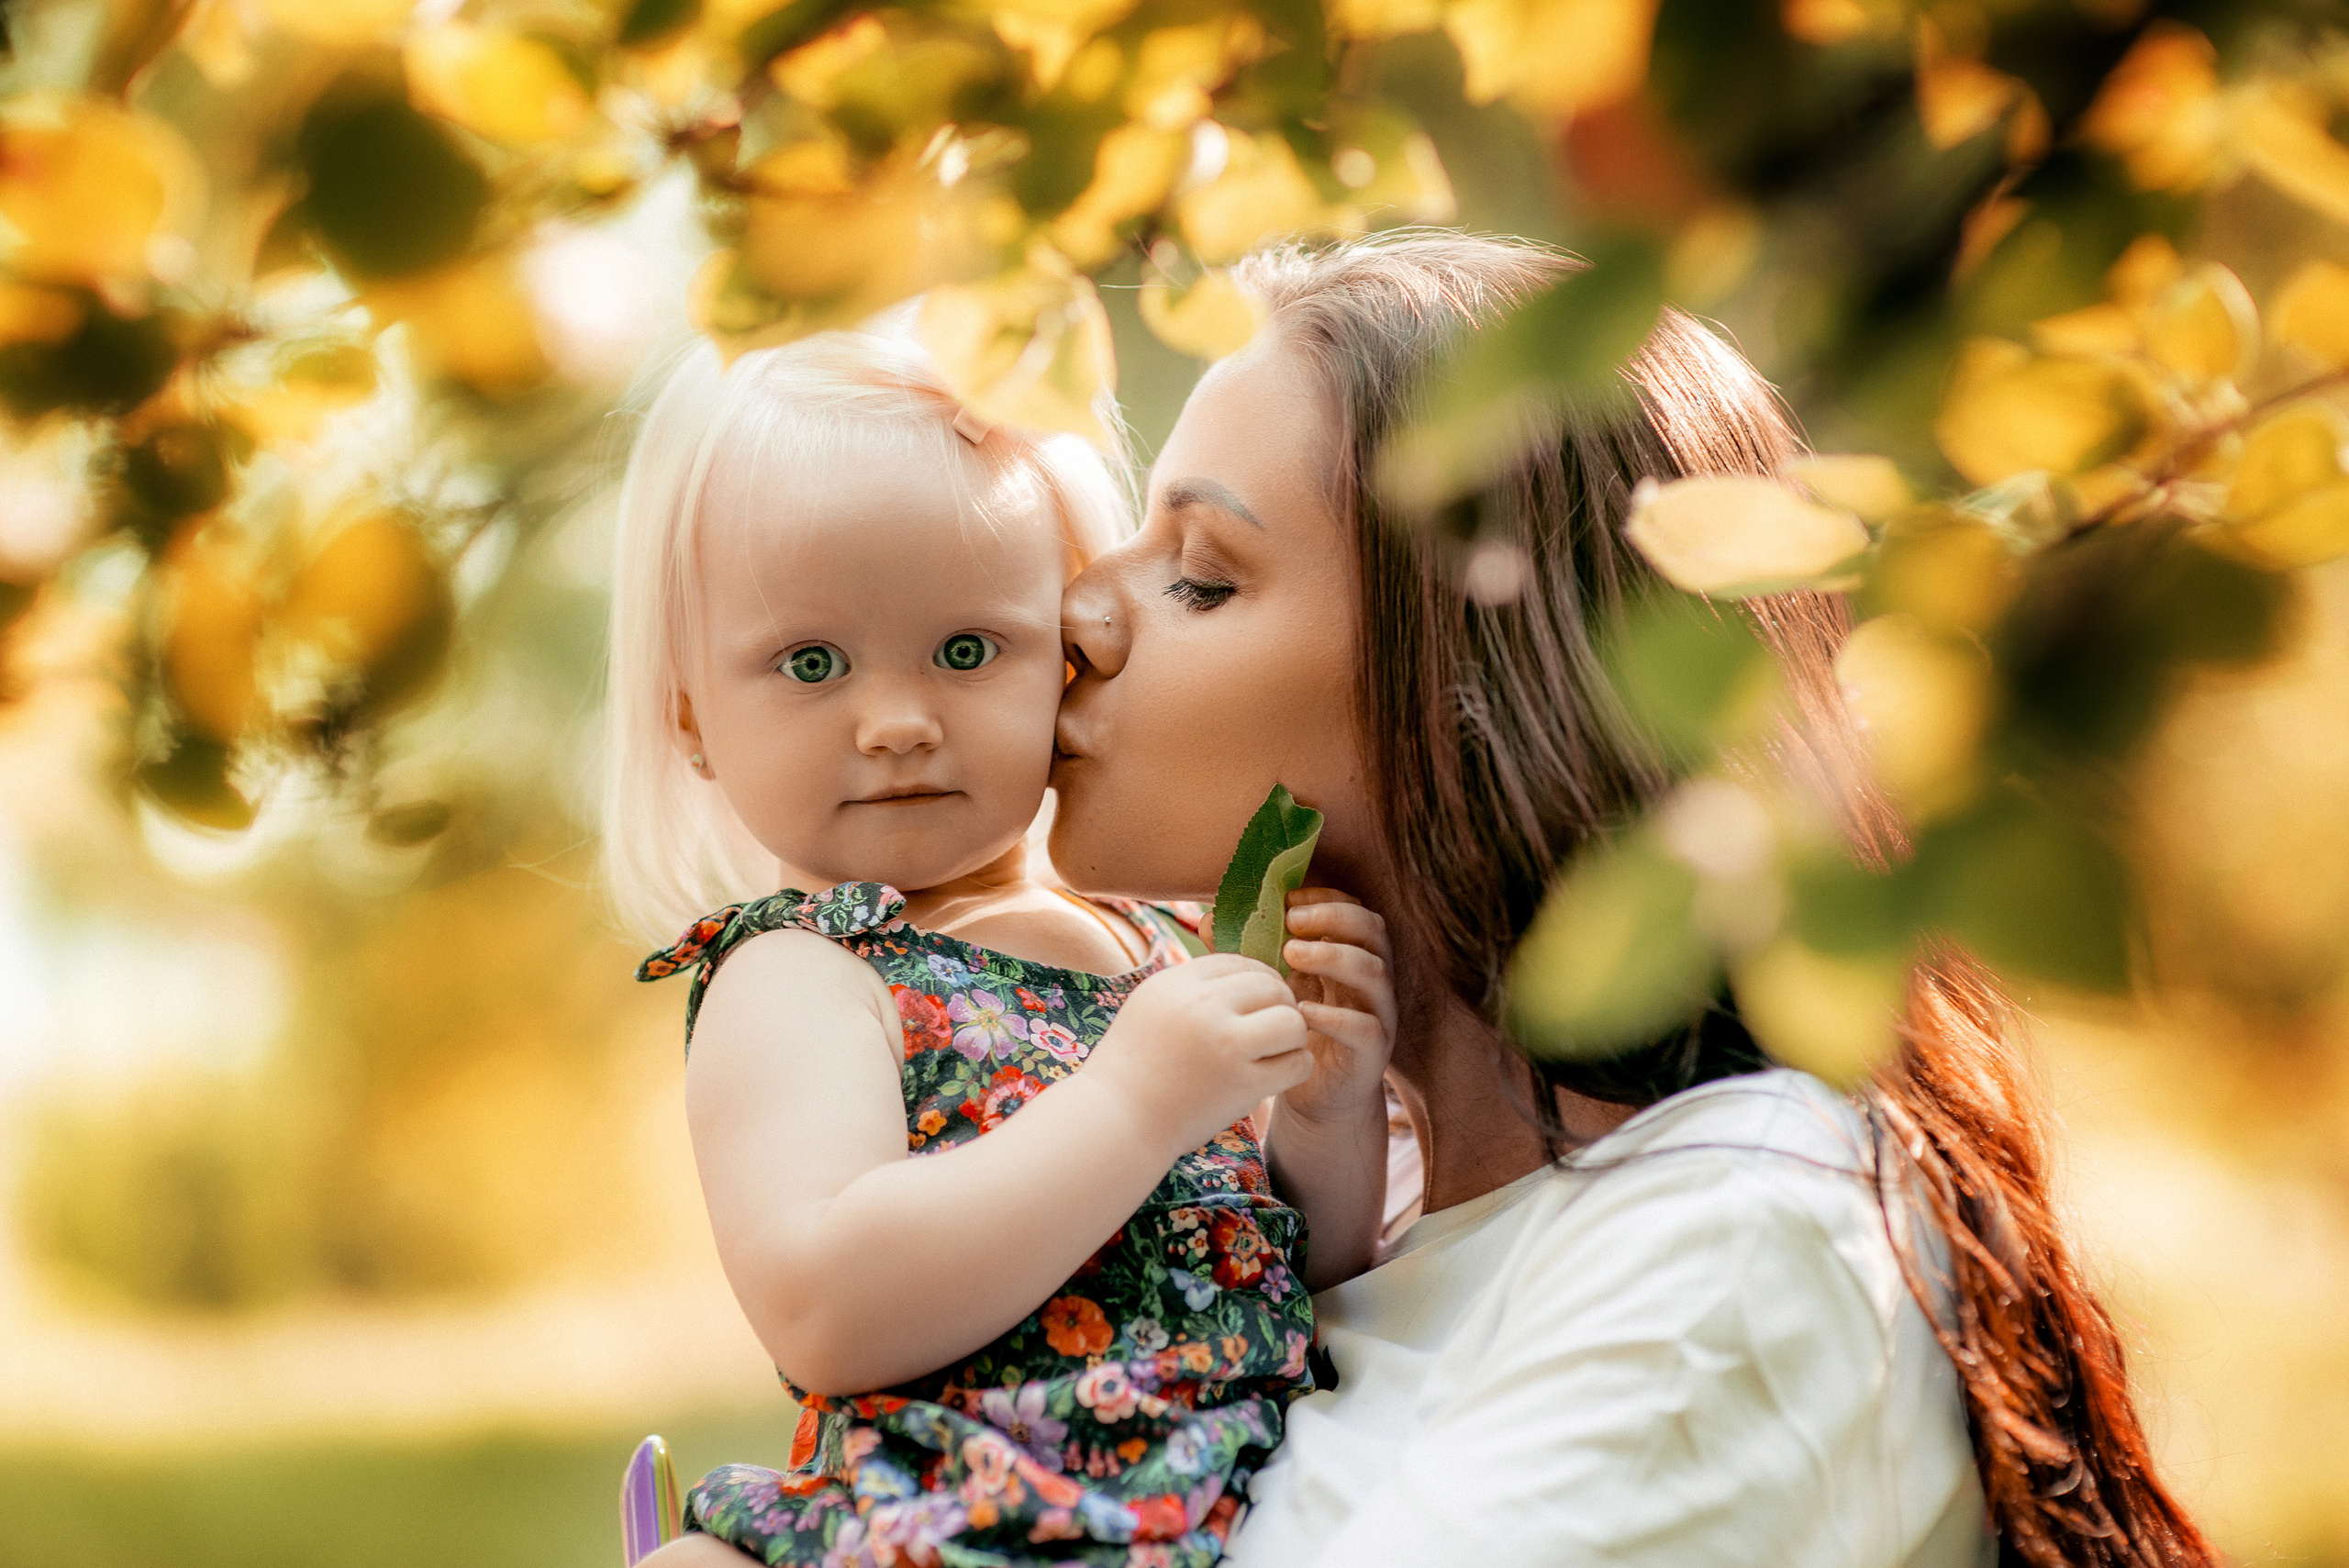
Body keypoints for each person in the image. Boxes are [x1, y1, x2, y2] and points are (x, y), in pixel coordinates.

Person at [1045, 231, 2216, 1567]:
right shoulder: (1310, 1211)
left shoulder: (1733, 1246)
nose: (1075, 608)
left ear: (1473, 682)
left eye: (1202, 575)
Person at [603, 326, 1396, 1566]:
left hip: (1216, 1512)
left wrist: (1328, 1119)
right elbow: (826, 1303)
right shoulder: (810, 973)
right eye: (812, 662)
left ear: (1064, 655)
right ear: (693, 714)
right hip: (941, 1525)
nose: (901, 722)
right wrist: (1135, 1100)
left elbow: (1296, 1266)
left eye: (969, 650)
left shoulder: (1159, 943)